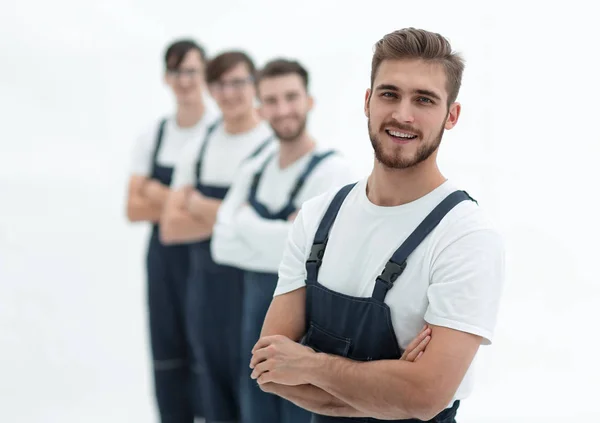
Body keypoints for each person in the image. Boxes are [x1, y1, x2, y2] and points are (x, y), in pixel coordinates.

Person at [248, 27, 505, 423]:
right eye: (389, 94)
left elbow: (425, 397)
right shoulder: (318, 217)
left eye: (424, 99)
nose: (403, 114)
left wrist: (312, 365)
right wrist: (390, 386)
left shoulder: (465, 236)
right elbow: (270, 370)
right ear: (368, 101)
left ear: (451, 115)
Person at [210, 58, 357, 423]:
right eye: (272, 100)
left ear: (309, 101)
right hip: (254, 327)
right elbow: (220, 244)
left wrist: (245, 221)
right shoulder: (254, 168)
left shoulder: (333, 172)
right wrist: (286, 235)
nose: (283, 109)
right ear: (259, 109)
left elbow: (316, 260)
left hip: (308, 338)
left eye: (291, 97)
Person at [160, 50, 274, 423]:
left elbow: (279, 235)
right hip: (205, 293)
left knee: (256, 391)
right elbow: (172, 227)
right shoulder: (199, 145)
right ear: (210, 88)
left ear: (254, 84)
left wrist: (199, 205)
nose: (230, 92)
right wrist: (235, 219)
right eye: (221, 84)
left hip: (256, 291)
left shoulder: (272, 144)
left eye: (239, 82)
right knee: (212, 392)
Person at [125, 39, 219, 423]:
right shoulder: (154, 135)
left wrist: (154, 191)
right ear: (167, 77)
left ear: (205, 74)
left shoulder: (218, 133)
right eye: (178, 71)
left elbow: (226, 216)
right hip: (164, 260)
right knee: (167, 349)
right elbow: (133, 208)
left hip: (210, 261)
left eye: (193, 70)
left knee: (209, 351)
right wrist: (184, 203)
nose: (185, 80)